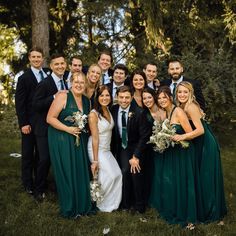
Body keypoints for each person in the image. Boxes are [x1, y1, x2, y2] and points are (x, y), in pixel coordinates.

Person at [174, 81, 227, 223]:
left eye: (186, 92)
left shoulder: (191, 106)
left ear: (191, 93)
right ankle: (203, 208)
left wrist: (182, 137)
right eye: (180, 92)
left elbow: (200, 130)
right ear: (176, 93)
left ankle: (211, 211)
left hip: (205, 144)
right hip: (197, 142)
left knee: (206, 177)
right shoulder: (181, 106)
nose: (182, 94)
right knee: (200, 176)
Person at [46, 72, 94, 218]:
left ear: (85, 84)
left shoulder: (87, 101)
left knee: (79, 170)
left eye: (82, 82)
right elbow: (49, 118)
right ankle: (70, 206)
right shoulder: (63, 96)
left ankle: (82, 204)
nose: (79, 84)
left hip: (79, 139)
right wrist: (68, 129)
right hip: (61, 138)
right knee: (66, 171)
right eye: (76, 81)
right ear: (71, 82)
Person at [155, 86, 198, 228]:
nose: (161, 100)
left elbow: (191, 132)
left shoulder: (178, 111)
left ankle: (186, 213)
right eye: (159, 98)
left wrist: (179, 137)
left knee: (182, 183)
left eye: (164, 97)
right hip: (173, 153)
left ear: (170, 97)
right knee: (172, 181)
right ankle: (174, 207)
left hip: (183, 153)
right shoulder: (166, 113)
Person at [32, 53, 68, 201]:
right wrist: (54, 96)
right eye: (56, 64)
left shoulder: (65, 82)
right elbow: (36, 105)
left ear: (65, 65)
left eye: (62, 63)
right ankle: (38, 190)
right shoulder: (45, 84)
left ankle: (54, 186)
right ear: (51, 66)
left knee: (56, 159)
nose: (60, 66)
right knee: (44, 159)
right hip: (44, 128)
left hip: (58, 128)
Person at [15, 47, 50, 195]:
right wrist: (23, 123)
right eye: (33, 57)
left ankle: (40, 181)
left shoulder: (48, 74)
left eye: (39, 57)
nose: (36, 59)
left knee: (42, 156)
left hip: (44, 123)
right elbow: (20, 103)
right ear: (29, 58)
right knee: (28, 154)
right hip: (29, 123)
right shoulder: (24, 78)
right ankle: (27, 183)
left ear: (43, 58)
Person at [111, 85, 150, 214]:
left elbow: (144, 137)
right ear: (117, 97)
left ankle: (140, 206)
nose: (124, 100)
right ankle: (126, 204)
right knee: (124, 172)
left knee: (135, 173)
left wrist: (136, 156)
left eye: (127, 97)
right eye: (121, 97)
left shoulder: (139, 112)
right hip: (122, 147)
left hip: (137, 147)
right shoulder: (114, 109)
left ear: (132, 97)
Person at [88, 85, 122, 212]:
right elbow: (95, 138)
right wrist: (95, 161)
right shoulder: (93, 114)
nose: (105, 98)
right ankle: (98, 201)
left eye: (107, 95)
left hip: (107, 150)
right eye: (102, 95)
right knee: (111, 175)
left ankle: (112, 203)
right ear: (97, 97)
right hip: (96, 149)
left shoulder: (108, 109)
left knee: (118, 174)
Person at [141, 87, 166, 205]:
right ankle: (156, 199)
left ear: (154, 97)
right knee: (155, 173)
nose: (147, 100)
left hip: (166, 145)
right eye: (144, 98)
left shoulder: (164, 110)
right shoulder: (144, 114)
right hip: (151, 149)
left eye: (149, 97)